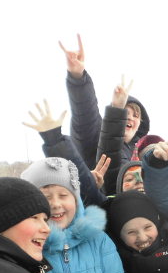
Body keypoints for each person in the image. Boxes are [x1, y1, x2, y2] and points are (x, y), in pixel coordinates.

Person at [58, 34, 150, 173]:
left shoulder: (141, 154)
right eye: (125, 113)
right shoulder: (97, 137)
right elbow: (85, 113)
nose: (130, 118)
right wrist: (78, 78)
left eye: (135, 115)